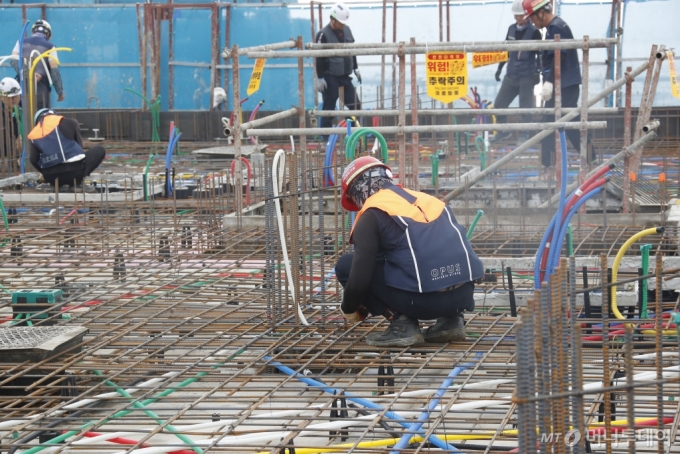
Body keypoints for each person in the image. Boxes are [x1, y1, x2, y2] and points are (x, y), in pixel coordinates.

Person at [335, 157, 484, 347]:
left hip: (424, 302)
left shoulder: (372, 214)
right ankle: (451, 321)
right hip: (462, 297)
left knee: (346, 265)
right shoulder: (429, 201)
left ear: (357, 190)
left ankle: (401, 324)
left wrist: (348, 308)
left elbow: (359, 280)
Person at [523, 0, 593, 168]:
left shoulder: (556, 28)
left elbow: (558, 57)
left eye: (532, 17)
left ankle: (553, 165)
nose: (532, 22)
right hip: (564, 84)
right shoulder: (557, 26)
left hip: (564, 85)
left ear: (541, 13)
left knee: (560, 124)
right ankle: (588, 159)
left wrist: (549, 82)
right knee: (563, 123)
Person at [489, 0, 542, 145]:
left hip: (526, 75)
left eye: (521, 15)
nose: (518, 18)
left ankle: (525, 133)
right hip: (511, 74)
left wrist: (538, 72)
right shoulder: (511, 29)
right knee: (499, 104)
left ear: (527, 15)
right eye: (516, 15)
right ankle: (503, 130)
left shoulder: (534, 32)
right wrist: (500, 68)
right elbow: (506, 50)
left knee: (526, 106)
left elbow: (540, 54)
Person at [27, 109, 105, 189]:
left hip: (51, 178)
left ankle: (57, 185)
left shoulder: (34, 133)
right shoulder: (69, 122)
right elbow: (80, 151)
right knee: (99, 149)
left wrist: (45, 172)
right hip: (74, 173)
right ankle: (76, 184)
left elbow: (33, 159)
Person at [315, 3, 362, 135]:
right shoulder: (322, 34)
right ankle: (325, 138)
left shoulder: (347, 30)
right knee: (329, 106)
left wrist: (356, 68)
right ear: (333, 19)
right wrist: (320, 77)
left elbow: (352, 50)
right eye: (341, 22)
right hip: (330, 76)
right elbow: (318, 57)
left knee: (356, 106)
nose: (343, 25)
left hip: (345, 75)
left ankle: (348, 130)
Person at [10, 20, 65, 110]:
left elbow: (13, 60)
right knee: (41, 119)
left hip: (22, 88)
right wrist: (60, 92)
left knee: (22, 117)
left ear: (33, 32)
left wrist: (27, 74)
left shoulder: (20, 42)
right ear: (48, 34)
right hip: (41, 91)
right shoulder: (50, 46)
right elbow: (54, 71)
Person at [0, 77, 22, 161]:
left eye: (17, 96)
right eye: (11, 97)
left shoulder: (15, 110)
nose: (15, 99)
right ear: (2, 97)